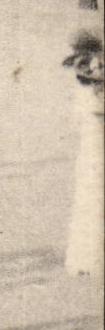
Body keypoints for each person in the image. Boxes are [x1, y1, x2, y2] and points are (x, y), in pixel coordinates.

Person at [64, 31, 103, 277]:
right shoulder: (87, 89)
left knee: (91, 198)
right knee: (91, 198)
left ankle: (89, 257)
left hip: (93, 148)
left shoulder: (86, 89)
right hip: (91, 148)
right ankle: (89, 257)